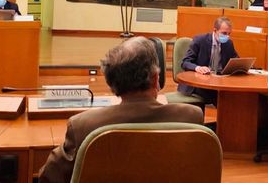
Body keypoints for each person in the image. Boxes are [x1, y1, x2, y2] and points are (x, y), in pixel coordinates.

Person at [38, 37, 203, 183]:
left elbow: (49, 177)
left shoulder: (83, 126)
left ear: (111, 83)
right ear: (155, 79)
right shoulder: (191, 117)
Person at [178, 16, 239, 104]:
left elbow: (236, 60)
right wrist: (198, 68)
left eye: (229, 34)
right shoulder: (200, 40)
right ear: (215, 30)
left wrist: (248, 67)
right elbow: (185, 62)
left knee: (234, 95)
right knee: (224, 97)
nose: (227, 36)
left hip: (218, 81)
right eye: (224, 33)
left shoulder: (228, 43)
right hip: (198, 83)